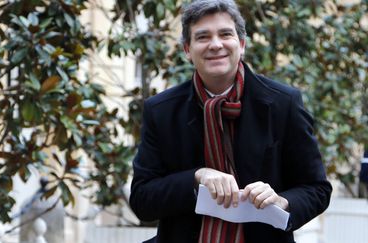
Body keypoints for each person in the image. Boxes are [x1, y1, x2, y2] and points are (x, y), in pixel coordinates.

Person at [129, 0, 332, 242]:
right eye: (203, 37)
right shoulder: (161, 110)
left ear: (242, 44)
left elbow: (317, 189)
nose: (216, 45)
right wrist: (197, 178)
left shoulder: (283, 103)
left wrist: (281, 201)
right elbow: (142, 199)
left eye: (225, 34)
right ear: (187, 49)